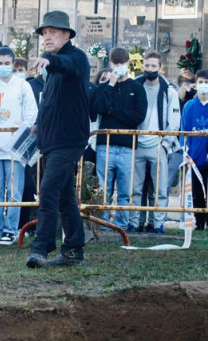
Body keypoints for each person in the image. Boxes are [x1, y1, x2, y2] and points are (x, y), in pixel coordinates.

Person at [26, 10, 90, 267]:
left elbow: (67, 66)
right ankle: (74, 250)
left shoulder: (75, 58)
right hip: (52, 141)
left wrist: (50, 62)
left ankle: (40, 248)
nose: (47, 37)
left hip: (69, 140)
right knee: (64, 196)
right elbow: (51, 103)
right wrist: (38, 124)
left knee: (49, 190)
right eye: (44, 33)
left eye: (53, 32)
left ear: (67, 34)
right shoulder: (50, 66)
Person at [0, 46, 38, 245]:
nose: (3, 67)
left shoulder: (22, 86)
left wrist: (19, 138)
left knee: (14, 191)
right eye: (0, 63)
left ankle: (11, 229)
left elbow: (31, 114)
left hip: (15, 148)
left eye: (7, 63)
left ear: (13, 64)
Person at [90, 47, 148, 231]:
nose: (119, 67)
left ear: (128, 64)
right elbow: (99, 107)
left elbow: (138, 116)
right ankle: (104, 223)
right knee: (104, 188)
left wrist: (113, 112)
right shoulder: (104, 87)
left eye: (122, 63)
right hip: (105, 145)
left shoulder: (137, 88)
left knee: (124, 190)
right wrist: (110, 85)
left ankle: (121, 223)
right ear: (111, 64)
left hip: (127, 146)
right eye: (116, 64)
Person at [127, 50, 180, 234]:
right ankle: (135, 222)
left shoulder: (169, 90)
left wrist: (166, 145)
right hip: (137, 144)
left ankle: (157, 224)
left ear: (160, 67)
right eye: (147, 65)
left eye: (153, 66)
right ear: (143, 66)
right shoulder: (134, 86)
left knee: (159, 189)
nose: (150, 69)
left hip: (158, 145)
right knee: (135, 188)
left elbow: (174, 122)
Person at [180, 69, 208, 231]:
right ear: (195, 84)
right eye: (200, 82)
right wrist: (184, 150)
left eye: (206, 82)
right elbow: (184, 130)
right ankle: (199, 221)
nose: (203, 85)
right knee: (196, 191)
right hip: (194, 156)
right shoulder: (189, 106)